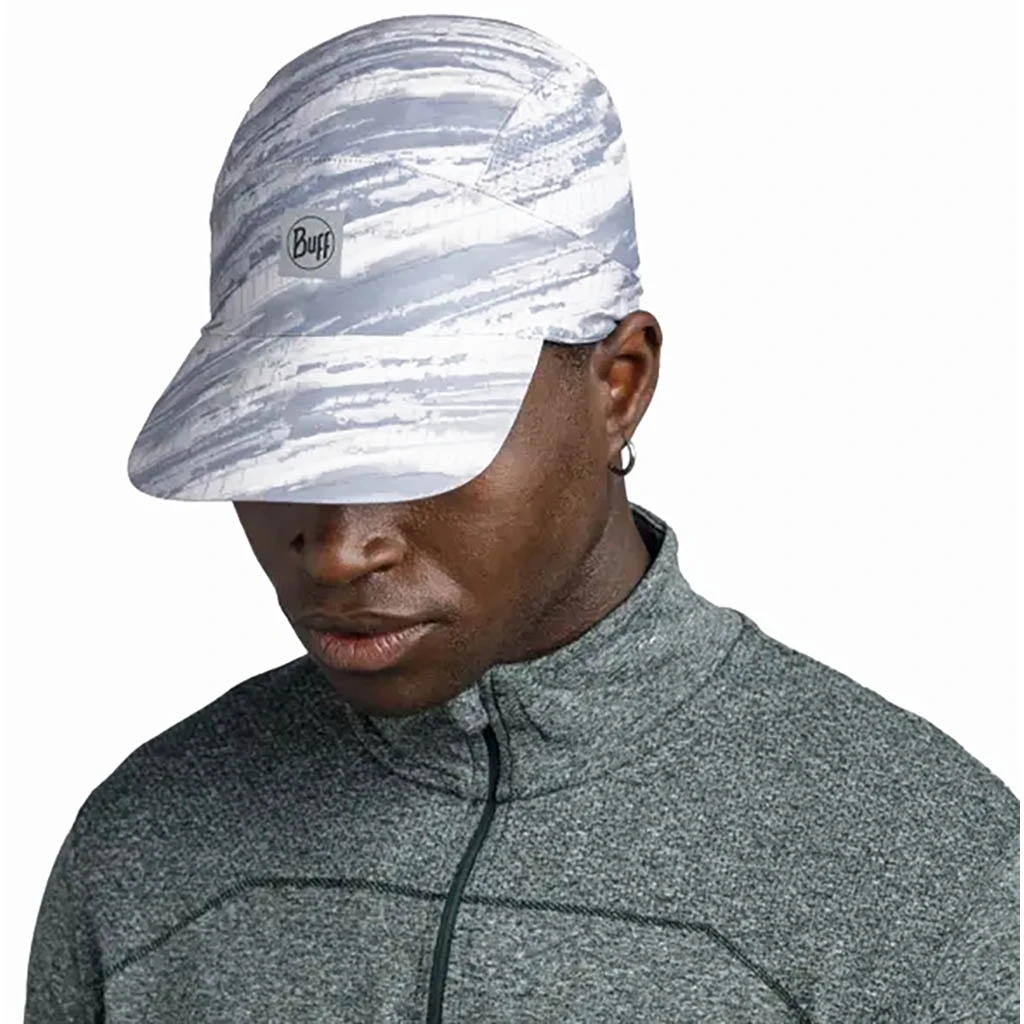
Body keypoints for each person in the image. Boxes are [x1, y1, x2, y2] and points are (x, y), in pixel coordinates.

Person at [24, 14, 1018, 1023]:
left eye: (420, 436)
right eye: (281, 444)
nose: (336, 549)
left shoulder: (923, 872)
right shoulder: (143, 852)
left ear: (618, 384)